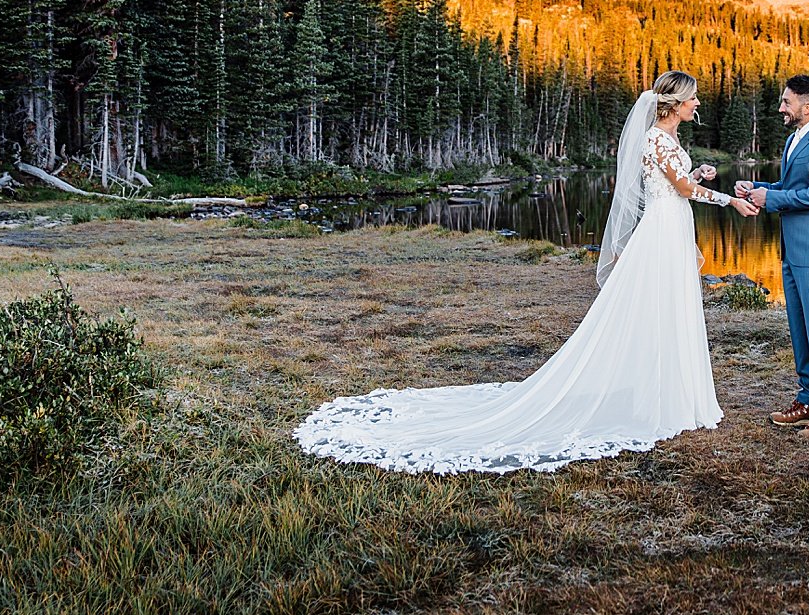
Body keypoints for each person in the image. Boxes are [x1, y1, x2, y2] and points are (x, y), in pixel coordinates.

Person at [294, 70, 758, 474]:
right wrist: (727, 198)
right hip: (661, 230)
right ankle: (660, 399)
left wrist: (698, 171)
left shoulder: (668, 138)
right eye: (694, 96)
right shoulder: (658, 137)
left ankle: (665, 392)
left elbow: (677, 183)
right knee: (658, 307)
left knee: (668, 308)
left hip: (669, 225)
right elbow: (679, 189)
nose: (699, 102)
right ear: (676, 103)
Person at [736, 73, 809, 441]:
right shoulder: (794, 138)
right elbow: (790, 188)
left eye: (786, 102)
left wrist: (771, 201)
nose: (781, 107)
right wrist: (759, 188)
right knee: (800, 330)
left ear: (807, 106)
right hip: (793, 249)